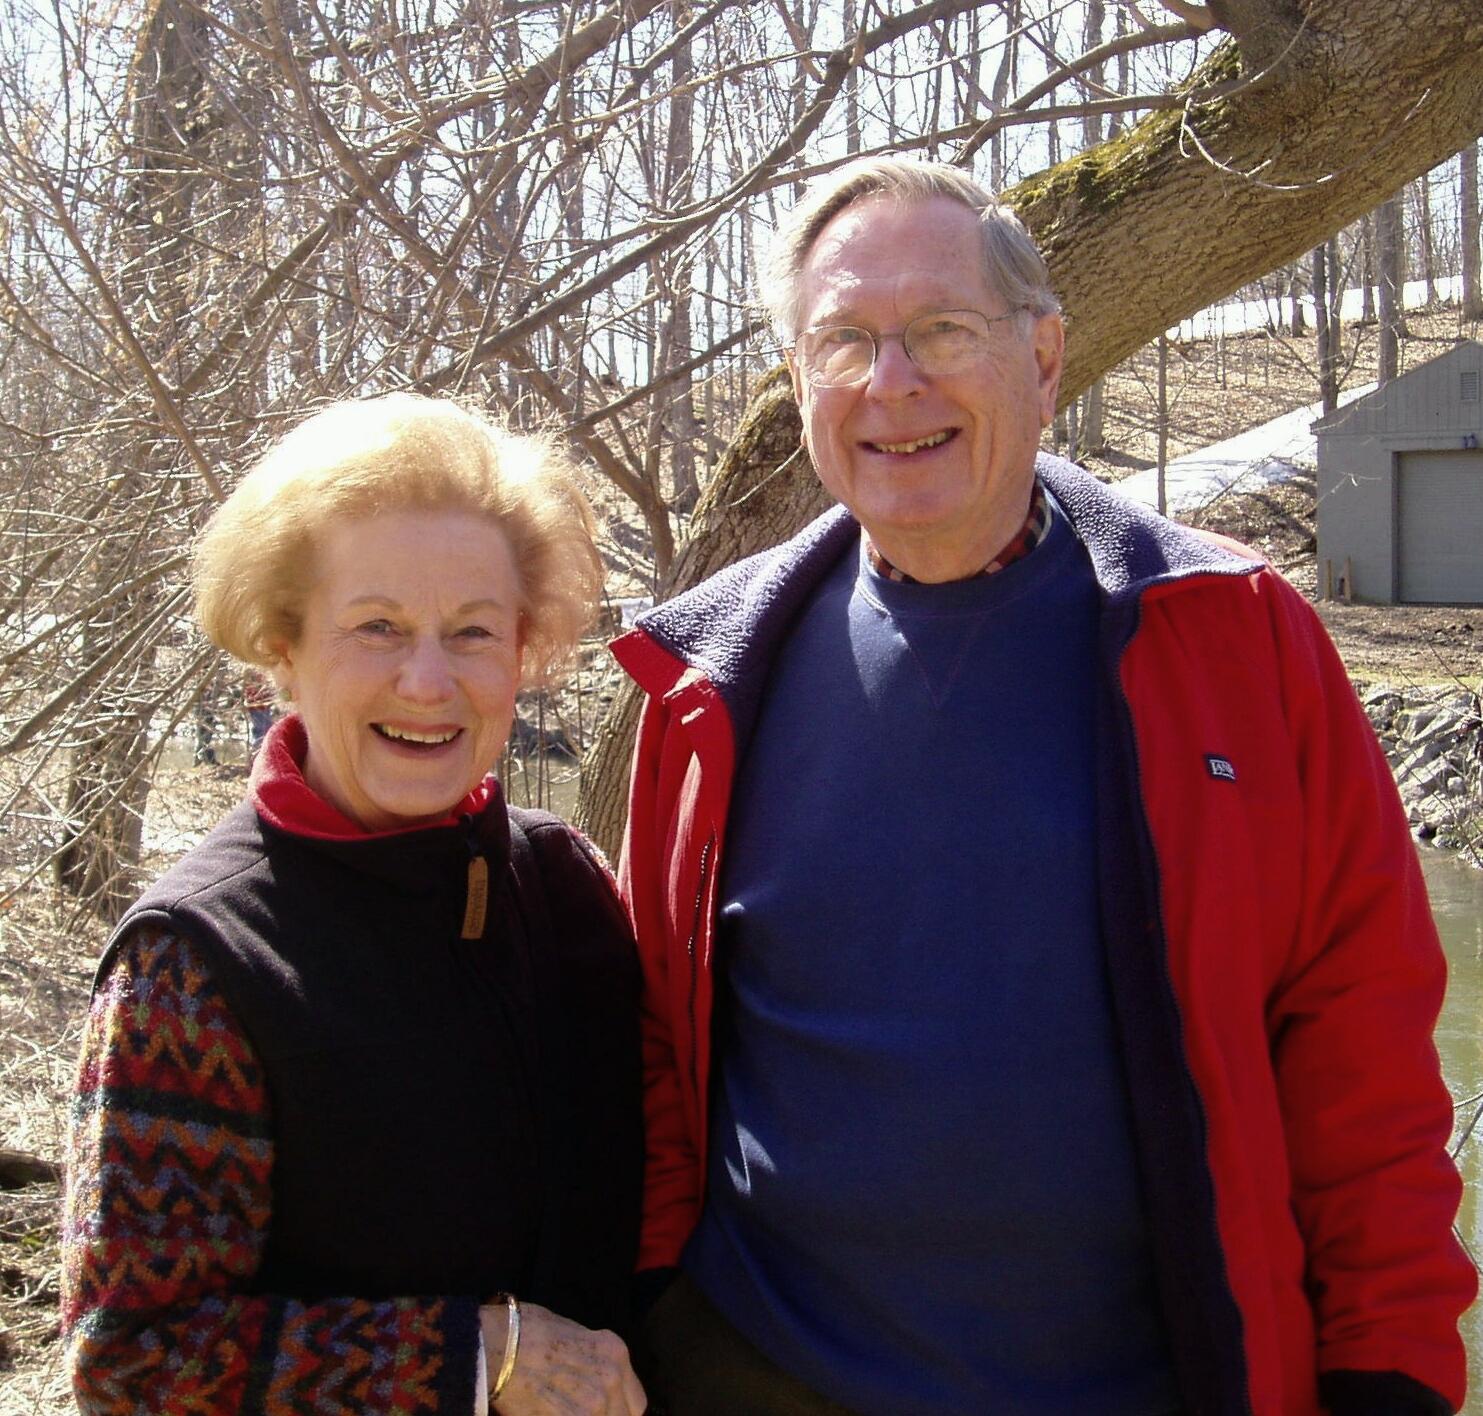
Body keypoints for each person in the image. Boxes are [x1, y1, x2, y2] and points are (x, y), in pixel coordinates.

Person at [614, 157, 1475, 1416]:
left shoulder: (1231, 638)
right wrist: (651, 1300)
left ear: (1048, 356)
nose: (890, 383)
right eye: (841, 341)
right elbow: (656, 1044)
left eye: (941, 330)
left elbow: (1363, 1047)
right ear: (797, 380)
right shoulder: (709, 688)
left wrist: (1387, 1375)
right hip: (759, 1371)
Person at [62, 394, 648, 1416]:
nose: (427, 680)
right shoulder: (200, 964)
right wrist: (475, 1355)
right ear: (281, 647)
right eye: (377, 627)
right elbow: (133, 1363)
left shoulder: (562, 887)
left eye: (473, 632)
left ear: (523, 655)